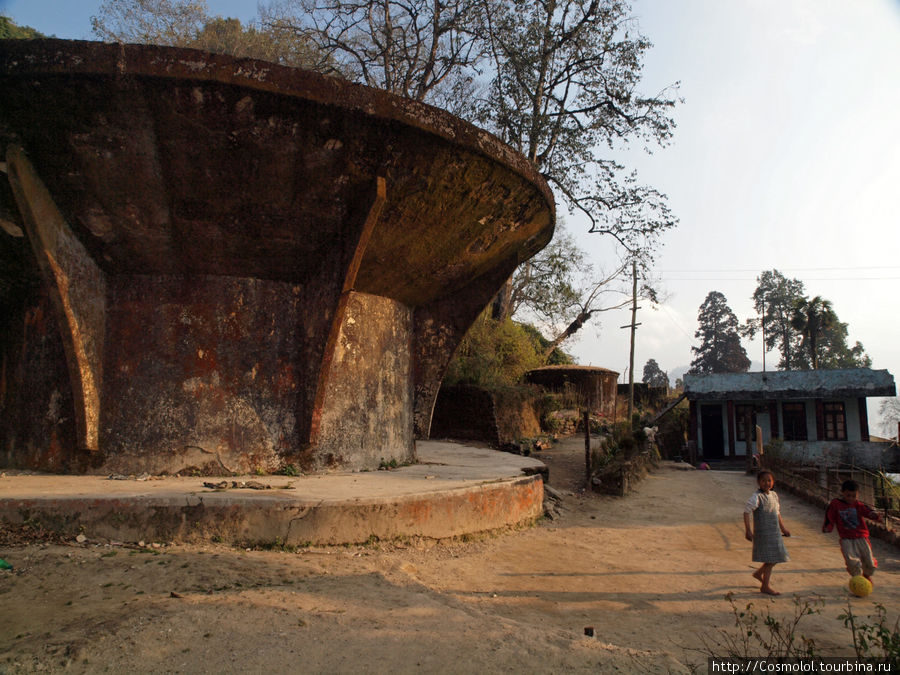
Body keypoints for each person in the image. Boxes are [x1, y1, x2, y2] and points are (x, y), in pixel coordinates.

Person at [822, 479, 882, 584]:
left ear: (857, 495)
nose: (851, 498)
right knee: (851, 561)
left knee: (869, 561)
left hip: (861, 537)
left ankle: (866, 575)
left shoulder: (858, 505)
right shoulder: (836, 504)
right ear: (842, 493)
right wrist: (828, 527)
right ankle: (857, 579)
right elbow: (830, 517)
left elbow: (868, 512)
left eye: (854, 496)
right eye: (848, 495)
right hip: (846, 538)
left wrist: (875, 515)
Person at [744, 469, 791, 595]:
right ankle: (765, 586)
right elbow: (746, 512)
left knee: (776, 557)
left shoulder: (774, 495)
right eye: (763, 481)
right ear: (758, 483)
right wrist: (748, 530)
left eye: (769, 480)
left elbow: (777, 513)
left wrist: (783, 529)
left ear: (773, 482)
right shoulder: (756, 497)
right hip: (763, 534)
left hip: (774, 532)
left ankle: (759, 573)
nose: (767, 483)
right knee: (772, 559)